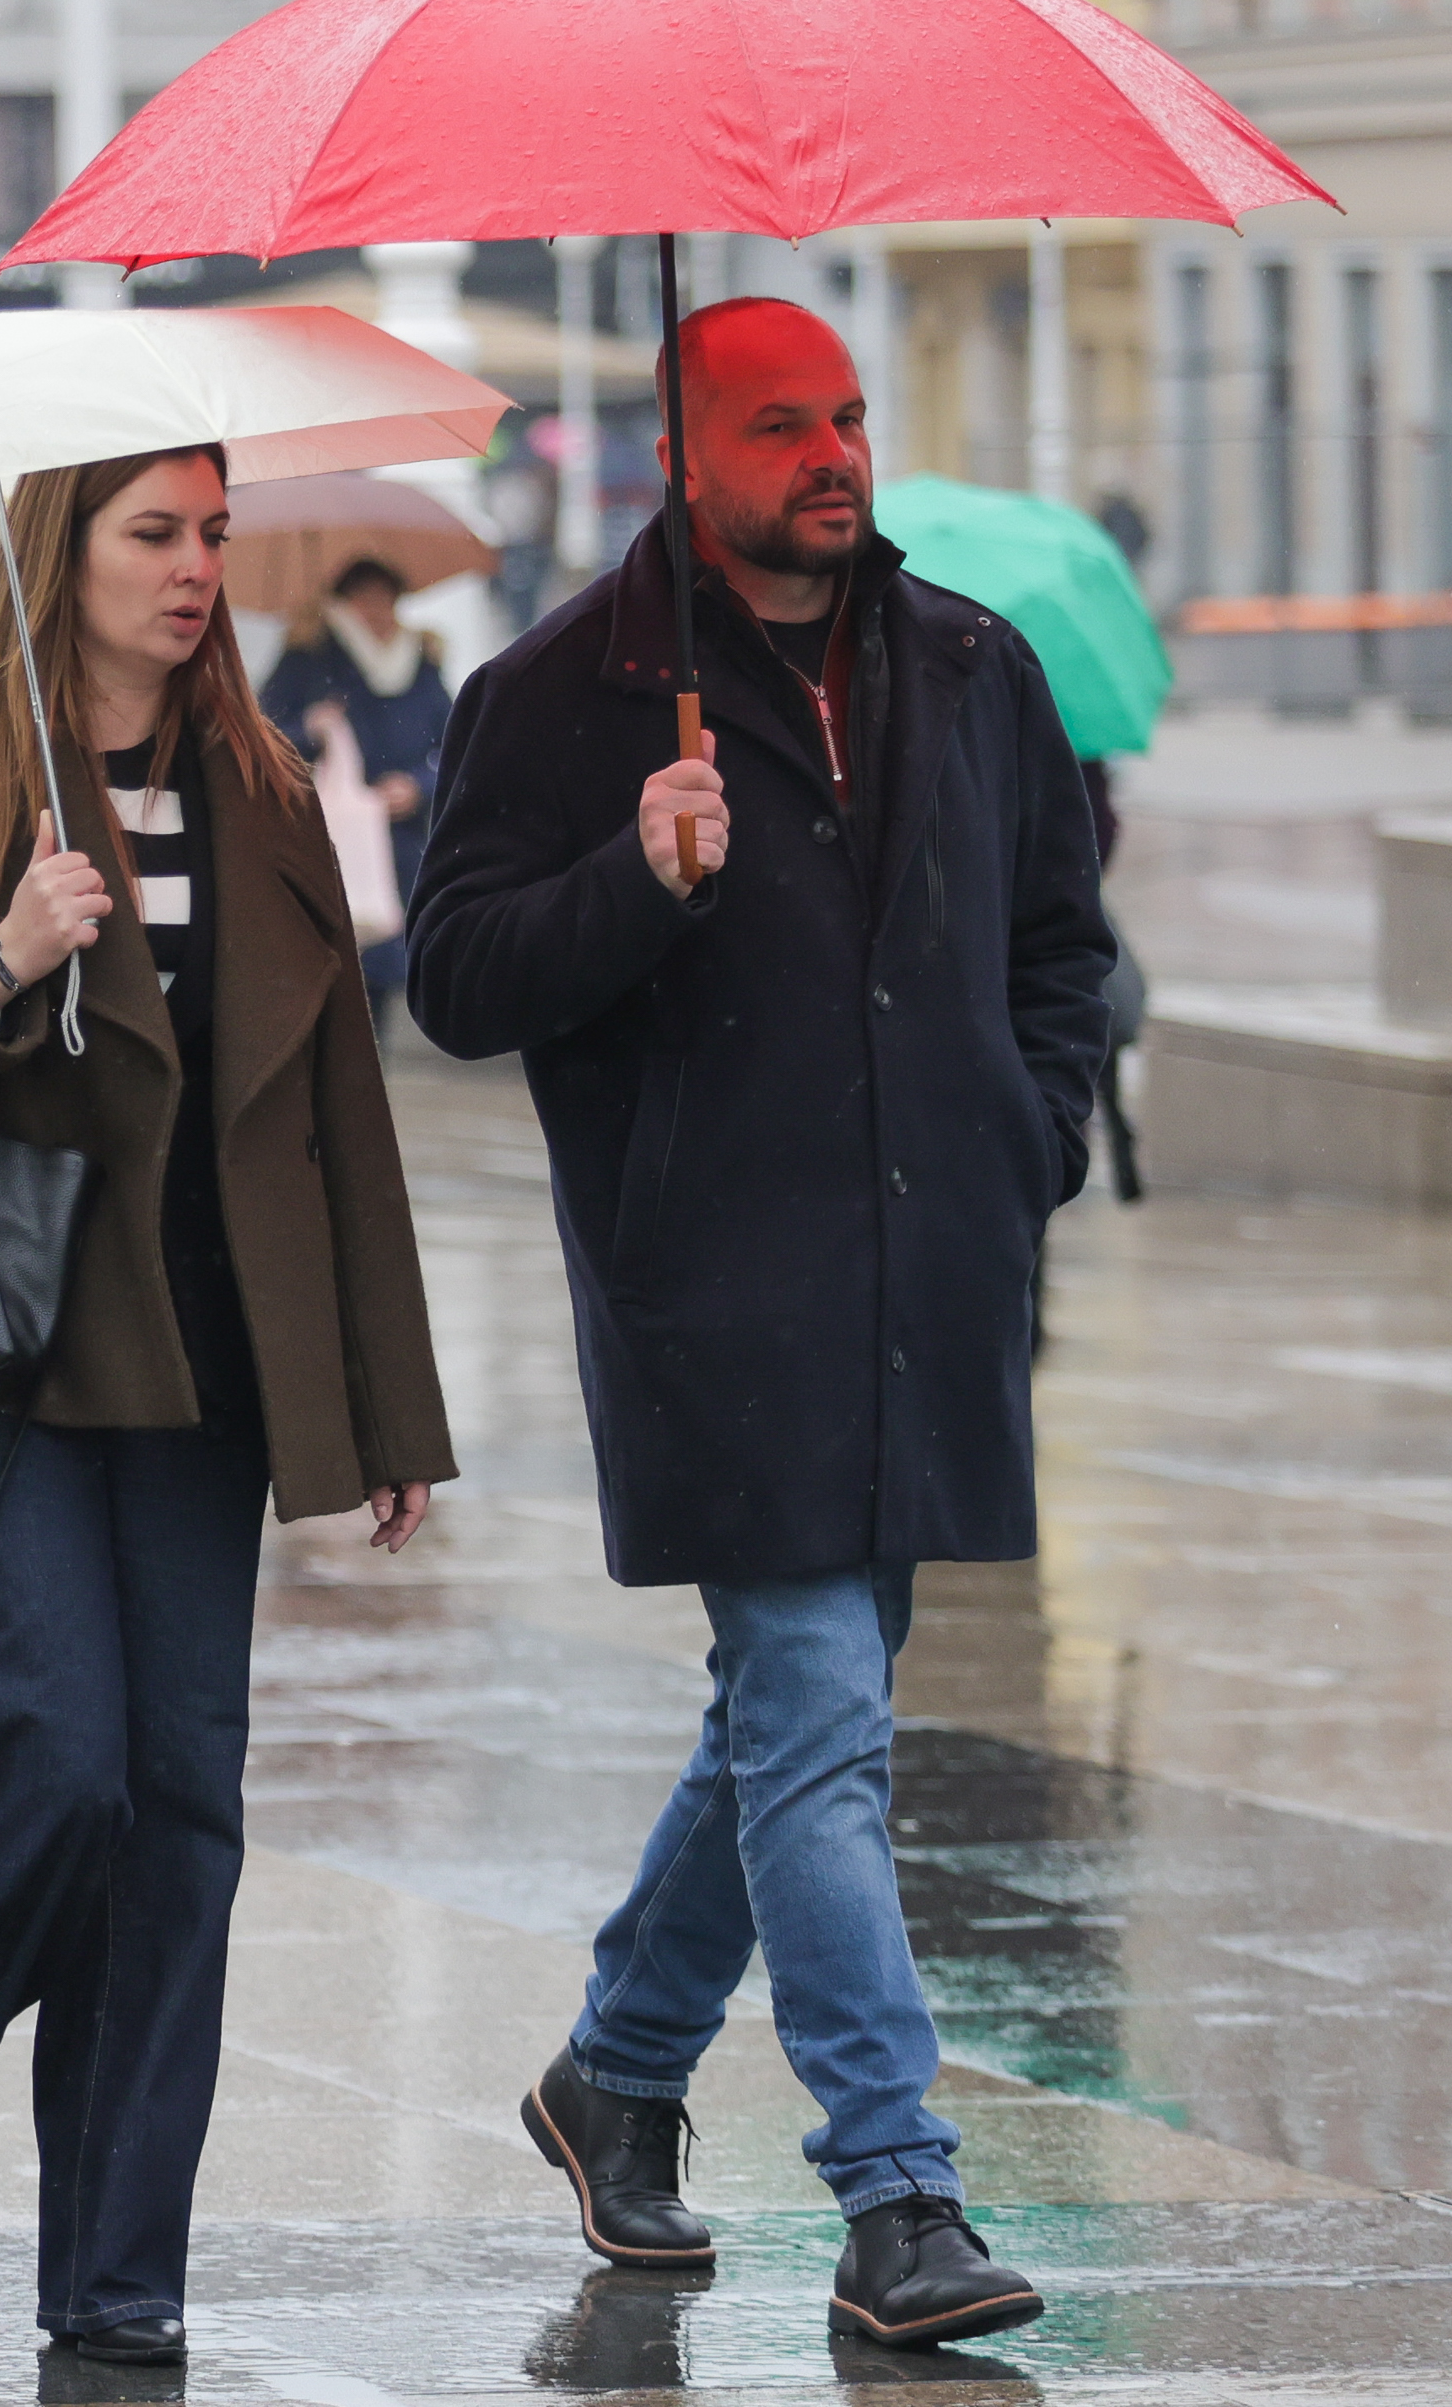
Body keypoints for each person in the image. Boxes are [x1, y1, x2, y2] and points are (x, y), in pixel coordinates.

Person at [406, 297, 1111, 2354]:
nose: (831, 452)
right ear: (680, 453)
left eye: (849, 416)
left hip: (931, 1276)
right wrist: (636, 872)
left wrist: (1025, 1141)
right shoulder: (562, 693)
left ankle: (615, 2070)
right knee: (819, 1713)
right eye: (779, 422)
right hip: (715, 1287)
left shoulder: (971, 668)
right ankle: (894, 2190)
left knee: (793, 1719)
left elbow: (1059, 944)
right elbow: (451, 976)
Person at [0, 446, 455, 2368]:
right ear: (55, 551)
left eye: (213, 535)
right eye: (153, 533)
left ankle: (122, 2265)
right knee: (55, 1758)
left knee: (180, 1811)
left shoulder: (259, 785)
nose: (194, 569)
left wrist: (382, 1401)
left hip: (209, 1363)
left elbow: (338, 1108)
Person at [258, 558, 449, 1022]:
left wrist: (419, 786)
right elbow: (263, 731)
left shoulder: (420, 664)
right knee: (323, 946)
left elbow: (453, 743)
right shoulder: (309, 655)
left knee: (381, 953)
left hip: (396, 837)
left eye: (384, 597)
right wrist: (310, 726)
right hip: (325, 827)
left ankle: (370, 1059)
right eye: (364, 598)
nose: (375, 609)